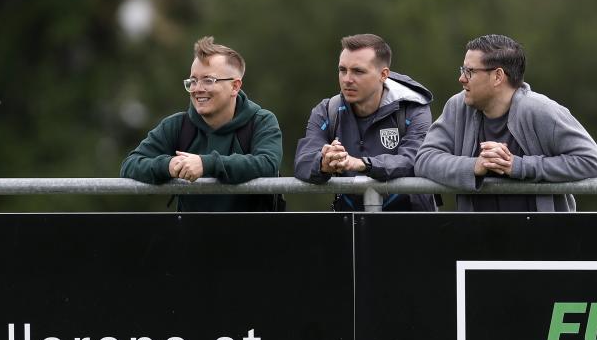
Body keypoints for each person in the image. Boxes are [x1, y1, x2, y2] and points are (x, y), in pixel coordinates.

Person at [414, 33, 597, 211]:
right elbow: (424, 159)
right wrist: (474, 166)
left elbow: (592, 161)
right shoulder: (457, 106)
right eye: (463, 70)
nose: (462, 78)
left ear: (498, 76)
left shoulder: (541, 110)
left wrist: (518, 166)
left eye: (470, 71)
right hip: (476, 239)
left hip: (542, 240)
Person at [121, 35, 283, 211]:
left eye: (208, 80)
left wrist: (206, 164)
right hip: (190, 235)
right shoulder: (176, 125)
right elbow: (130, 166)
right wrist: (169, 165)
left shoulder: (262, 121)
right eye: (193, 80)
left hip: (252, 234)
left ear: (235, 87)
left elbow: (268, 163)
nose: (197, 89)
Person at [294, 33, 436, 211]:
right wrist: (324, 163)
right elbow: (303, 160)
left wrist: (363, 164)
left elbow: (416, 160)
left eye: (358, 71)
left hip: (410, 223)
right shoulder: (327, 110)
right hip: (350, 227)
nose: (347, 79)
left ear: (383, 75)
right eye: (342, 70)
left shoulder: (413, 108)